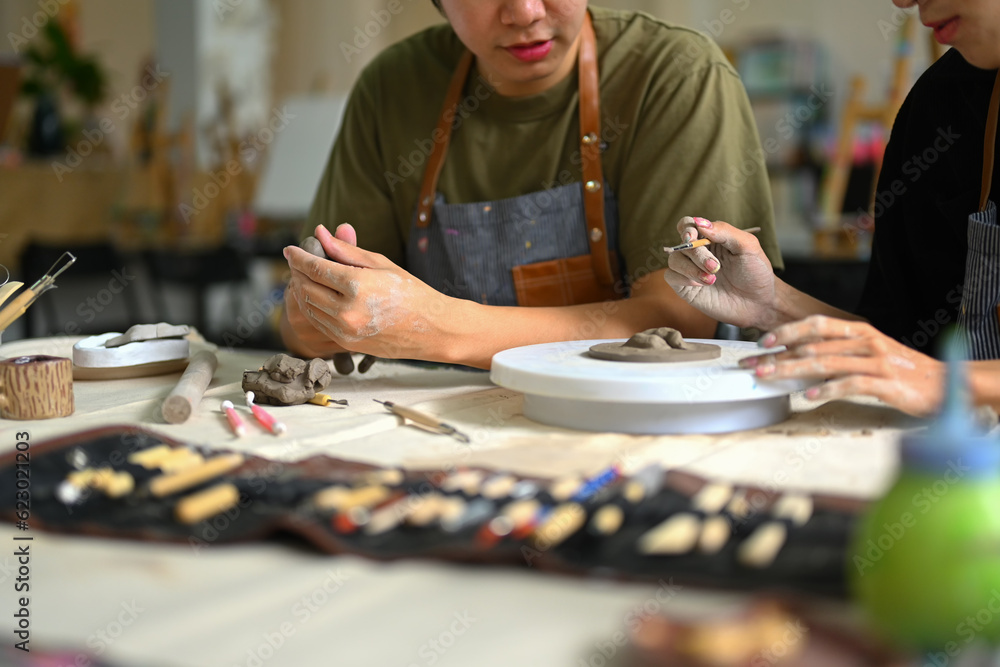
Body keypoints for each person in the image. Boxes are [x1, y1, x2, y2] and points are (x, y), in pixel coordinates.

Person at [280, 1, 782, 370]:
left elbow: (678, 322)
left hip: (623, 419)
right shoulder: (391, 88)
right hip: (433, 423)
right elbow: (309, 314)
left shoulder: (675, 76)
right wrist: (316, 318)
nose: (523, 12)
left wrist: (433, 327)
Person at [664, 0, 1000, 417]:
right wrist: (769, 303)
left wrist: (948, 383)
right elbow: (903, 350)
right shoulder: (944, 106)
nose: (903, 1)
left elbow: (924, 373)